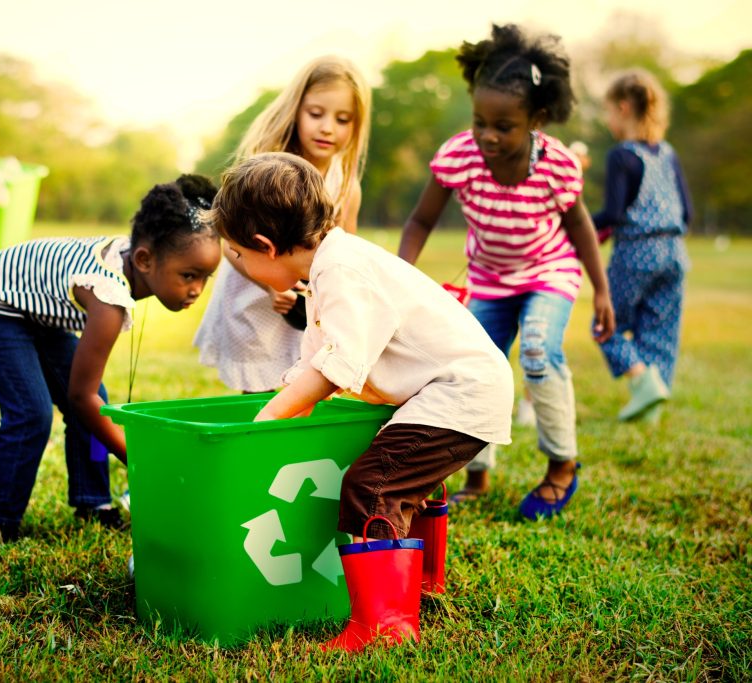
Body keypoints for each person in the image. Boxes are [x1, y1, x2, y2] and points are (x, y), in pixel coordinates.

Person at [207, 152, 513, 650]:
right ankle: (421, 589)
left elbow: (335, 367)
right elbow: (315, 364)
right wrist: (290, 403)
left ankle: (385, 626)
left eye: (238, 256)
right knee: (406, 480)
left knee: (373, 486)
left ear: (265, 245)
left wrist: (267, 418)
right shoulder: (333, 266)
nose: (240, 267)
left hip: (459, 392)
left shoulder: (343, 272)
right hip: (453, 390)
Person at [398, 24, 615, 520]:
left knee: (538, 349)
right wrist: (402, 278)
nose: (488, 135)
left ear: (537, 118)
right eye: (480, 121)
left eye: (504, 125)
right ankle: (477, 472)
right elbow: (420, 220)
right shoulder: (459, 156)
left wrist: (601, 290)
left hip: (548, 271)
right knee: (474, 368)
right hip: (491, 280)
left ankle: (562, 466)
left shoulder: (556, 166)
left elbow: (579, 227)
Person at [0, 175, 221, 542]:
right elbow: (81, 397)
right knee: (31, 413)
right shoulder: (107, 297)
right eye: (189, 275)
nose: (196, 290)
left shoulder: (142, 253)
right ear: (144, 259)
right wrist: (136, 457)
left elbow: (89, 397)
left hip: (35, 311)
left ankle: (93, 502)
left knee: (99, 403)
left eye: (206, 277)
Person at [194, 56, 371, 393]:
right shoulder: (265, 170)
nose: (328, 128)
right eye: (316, 114)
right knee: (260, 392)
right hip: (255, 298)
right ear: (296, 110)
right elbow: (230, 242)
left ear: (356, 126)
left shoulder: (346, 186)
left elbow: (345, 256)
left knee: (304, 386)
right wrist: (271, 286)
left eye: (343, 119)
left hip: (304, 307)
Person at [592, 69, 692, 422]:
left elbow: (614, 213)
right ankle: (650, 408)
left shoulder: (622, 155)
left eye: (607, 111)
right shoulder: (668, 153)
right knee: (660, 331)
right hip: (675, 253)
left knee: (607, 326)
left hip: (637, 252)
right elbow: (688, 211)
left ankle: (642, 383)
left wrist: (576, 224)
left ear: (622, 108)